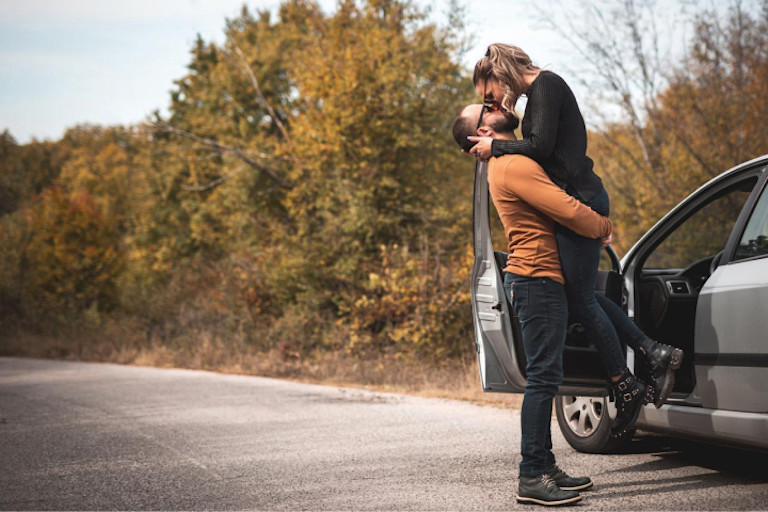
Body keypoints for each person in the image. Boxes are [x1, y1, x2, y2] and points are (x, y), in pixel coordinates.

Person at [467, 44, 683, 437]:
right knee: (579, 295)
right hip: (578, 201)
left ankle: (631, 376)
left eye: (489, 92)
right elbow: (540, 153)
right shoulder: (535, 99)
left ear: (499, 75)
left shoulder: (547, 87)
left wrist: (495, 145)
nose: (494, 100)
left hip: (581, 200)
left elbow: (541, 148)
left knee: (579, 297)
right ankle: (649, 356)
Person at [454, 103, 612, 506]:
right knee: (543, 379)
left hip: (537, 278)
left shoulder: (513, 161)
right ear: (480, 134)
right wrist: (603, 227)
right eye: (485, 109)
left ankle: (545, 465)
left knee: (547, 375)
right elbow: (566, 209)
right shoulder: (512, 167)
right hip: (536, 278)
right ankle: (531, 475)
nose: (495, 106)